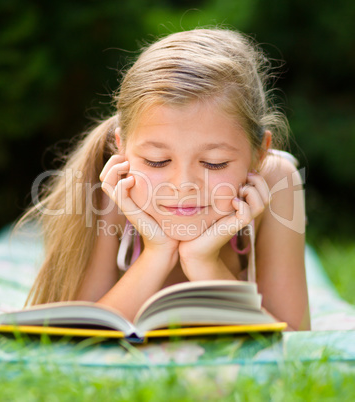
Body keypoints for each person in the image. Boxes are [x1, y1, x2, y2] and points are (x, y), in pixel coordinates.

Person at [19, 28, 310, 330]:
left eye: (214, 163)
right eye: (157, 161)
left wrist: (204, 262)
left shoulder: (278, 181)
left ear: (259, 155)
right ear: (122, 148)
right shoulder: (111, 192)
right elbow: (73, 335)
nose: (183, 184)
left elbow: (296, 344)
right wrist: (157, 253)